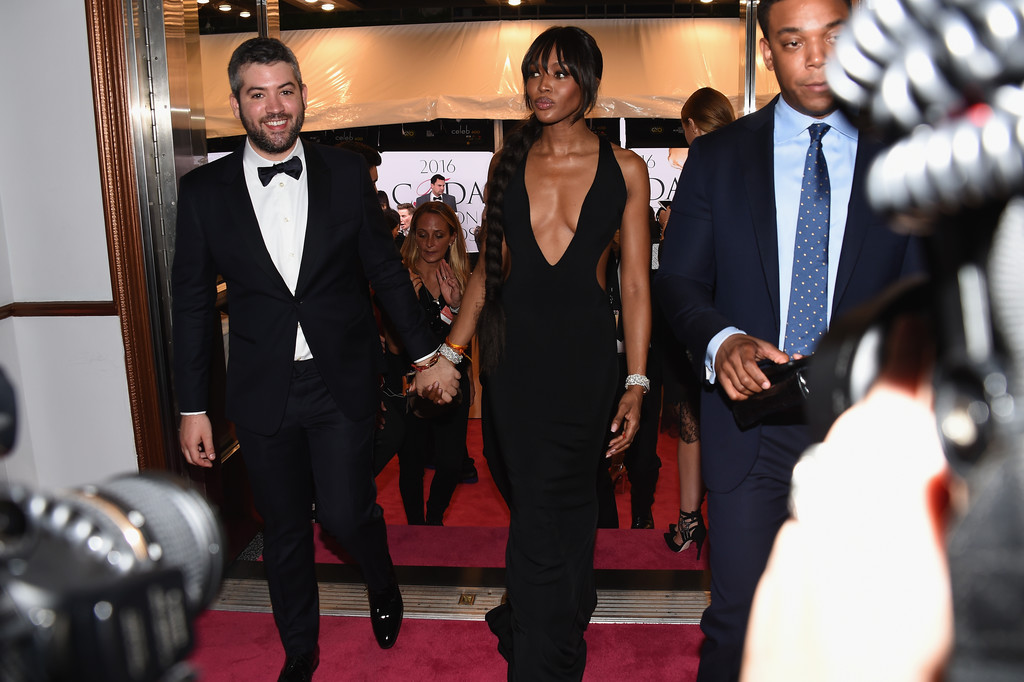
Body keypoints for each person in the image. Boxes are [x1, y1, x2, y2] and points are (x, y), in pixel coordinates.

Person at [171, 37, 459, 682]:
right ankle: (300, 646)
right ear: (237, 105)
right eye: (258, 94)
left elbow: (385, 273)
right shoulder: (204, 192)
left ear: (303, 95)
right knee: (282, 526)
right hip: (262, 387)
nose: (274, 107)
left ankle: (380, 579)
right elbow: (189, 305)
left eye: (286, 91)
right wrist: (193, 407)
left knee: (346, 513)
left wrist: (428, 354)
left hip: (340, 379)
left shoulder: (345, 174)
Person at [655, 0, 925, 678]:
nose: (817, 58)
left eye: (834, 36)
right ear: (767, 51)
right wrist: (722, 342)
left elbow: (928, 295)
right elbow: (679, 281)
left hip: (865, 430)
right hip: (750, 423)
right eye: (794, 41)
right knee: (741, 627)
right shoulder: (719, 157)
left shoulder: (905, 154)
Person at [438, 26, 652, 679]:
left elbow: (635, 285)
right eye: (534, 73)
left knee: (566, 503)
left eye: (558, 73)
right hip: (515, 366)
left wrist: (637, 381)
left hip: (587, 366)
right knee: (538, 506)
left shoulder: (626, 170)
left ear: (588, 83)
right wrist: (450, 354)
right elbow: (486, 274)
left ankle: (550, 638)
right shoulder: (506, 163)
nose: (541, 86)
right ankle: (556, 620)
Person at [662, 87, 735, 557]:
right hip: (739, 314)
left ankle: (691, 523)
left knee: (693, 418)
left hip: (698, 314)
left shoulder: (702, 161)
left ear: (691, 125)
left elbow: (681, 259)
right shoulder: (749, 159)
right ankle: (724, 520)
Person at [392, 202, 473, 525]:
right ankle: (416, 525)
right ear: (413, 235)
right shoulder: (399, 277)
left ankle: (435, 520)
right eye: (422, 234)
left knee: (452, 464)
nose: (429, 243)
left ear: (452, 238)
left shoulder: (463, 279)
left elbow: (467, 343)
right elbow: (394, 346)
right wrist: (407, 307)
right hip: (410, 384)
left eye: (438, 235)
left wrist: (457, 306)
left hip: (453, 383)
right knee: (411, 463)